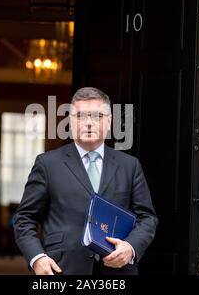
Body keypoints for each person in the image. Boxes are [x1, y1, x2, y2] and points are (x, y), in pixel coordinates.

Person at [13, 87, 158, 275]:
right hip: (62, 269)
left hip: (116, 273)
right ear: (70, 122)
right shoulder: (48, 164)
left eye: (97, 116)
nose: (88, 123)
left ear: (109, 122)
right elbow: (24, 219)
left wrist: (130, 247)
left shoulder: (130, 166)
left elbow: (147, 218)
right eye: (80, 116)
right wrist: (37, 258)